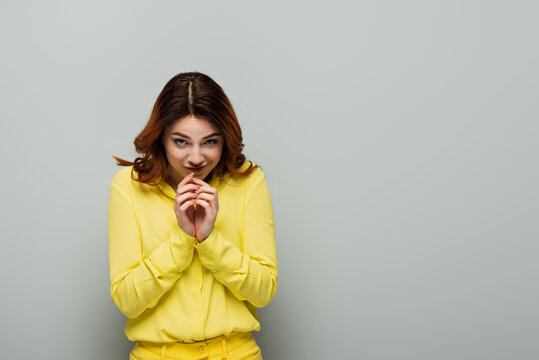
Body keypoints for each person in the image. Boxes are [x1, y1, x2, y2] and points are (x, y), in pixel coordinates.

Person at [108, 72, 278, 360]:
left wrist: (211, 241)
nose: (196, 158)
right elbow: (127, 300)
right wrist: (182, 239)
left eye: (210, 142)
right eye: (181, 142)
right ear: (161, 138)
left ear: (226, 139)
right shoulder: (128, 186)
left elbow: (263, 292)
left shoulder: (249, 182)